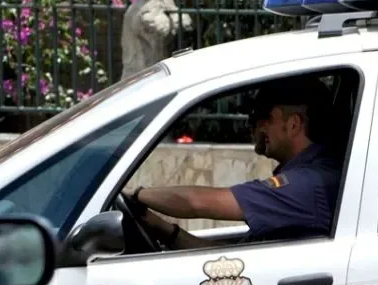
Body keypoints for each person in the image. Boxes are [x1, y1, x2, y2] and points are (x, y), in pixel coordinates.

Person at [123, 76, 343, 250]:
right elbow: (228, 264)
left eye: (260, 116)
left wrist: (136, 194)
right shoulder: (309, 177)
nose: (252, 125)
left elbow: (197, 202)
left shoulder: (307, 185)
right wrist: (163, 230)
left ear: (294, 124)